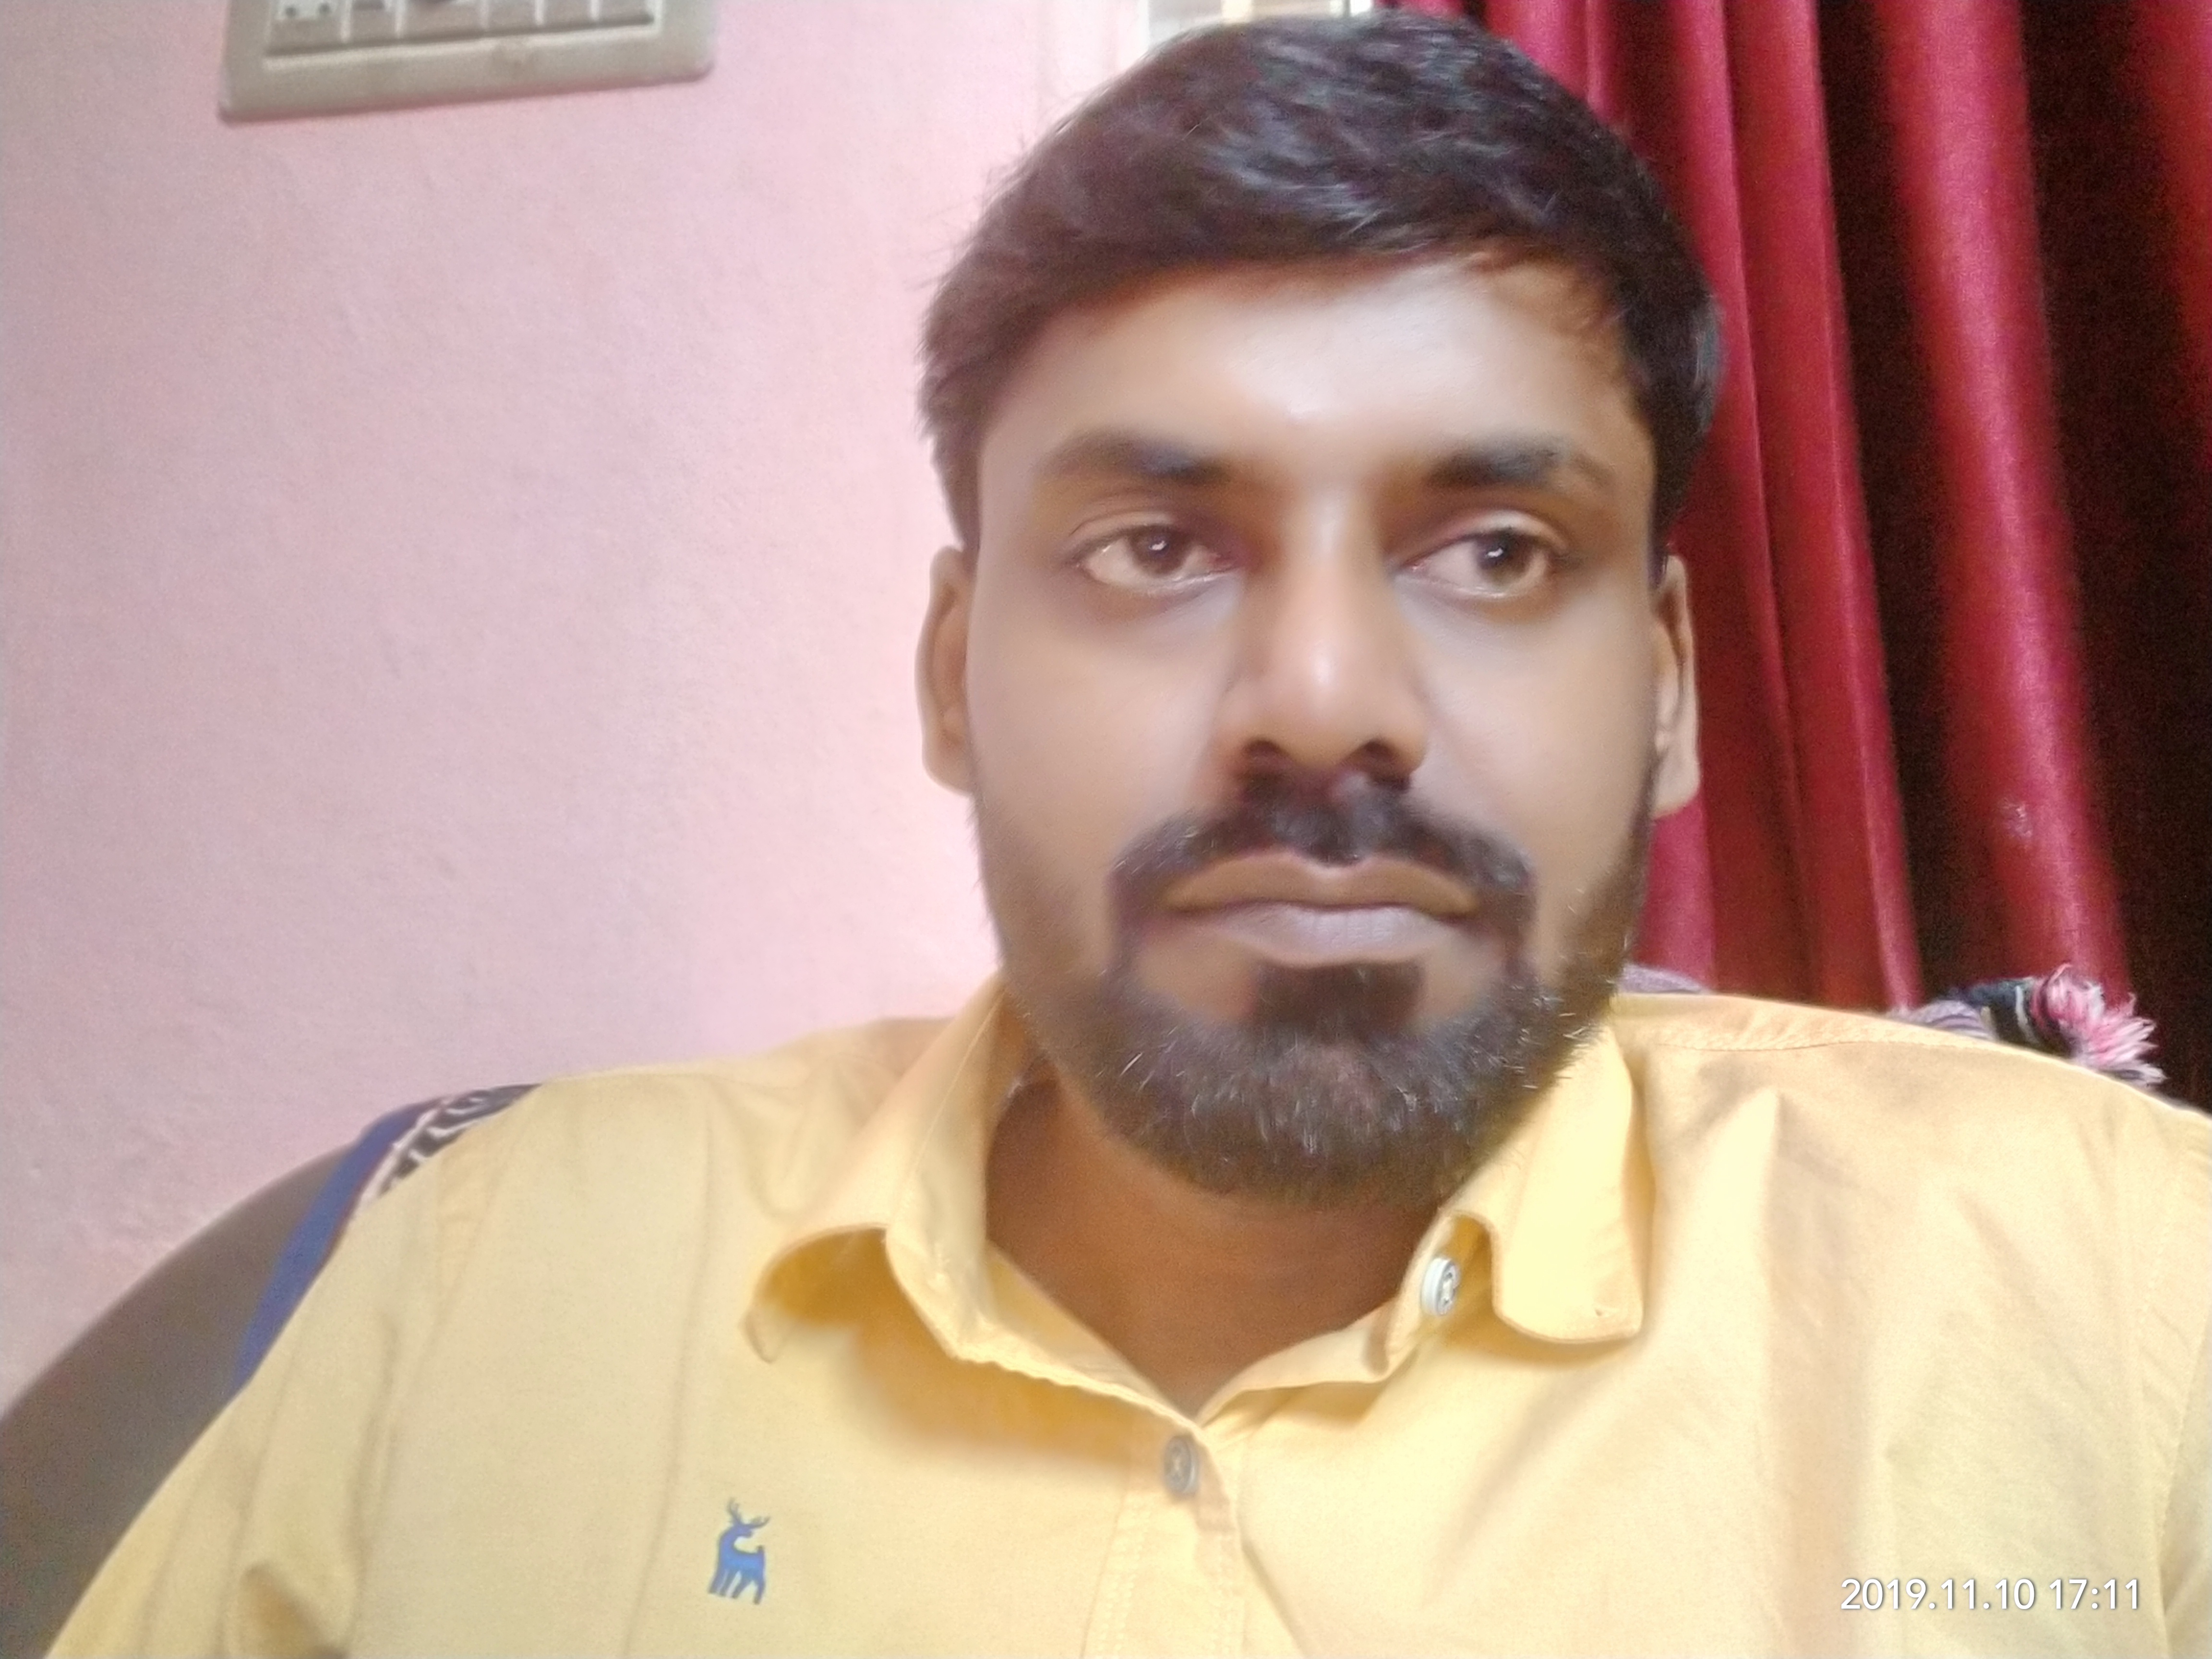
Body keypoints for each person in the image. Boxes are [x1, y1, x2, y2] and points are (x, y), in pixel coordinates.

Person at [53, 13, 2208, 1656]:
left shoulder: (2119, 1297)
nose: (1324, 700)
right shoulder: (468, 1290)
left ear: (1666, 689)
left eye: (1493, 549)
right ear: (950, 673)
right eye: (1157, 546)